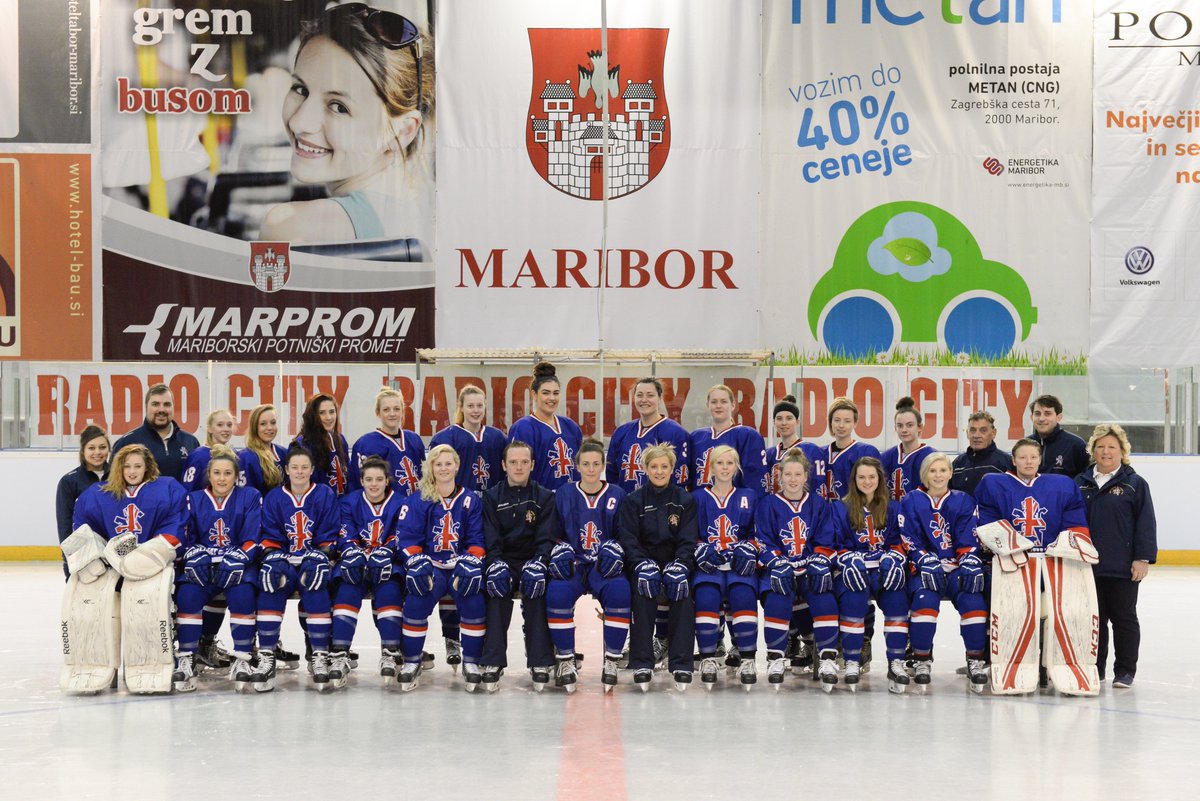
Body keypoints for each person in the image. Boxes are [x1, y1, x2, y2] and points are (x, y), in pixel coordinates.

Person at [260, 3, 435, 246]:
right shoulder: (438, 210)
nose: (300, 122)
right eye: (300, 89)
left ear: (404, 131)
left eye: (339, 107)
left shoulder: (287, 225)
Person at [71, 445, 189, 685]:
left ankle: (154, 662)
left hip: (151, 568)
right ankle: (104, 665)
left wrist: (146, 555)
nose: (132, 471)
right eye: (127, 466)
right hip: (113, 569)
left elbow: (176, 526)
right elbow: (84, 529)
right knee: (98, 612)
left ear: (147, 467)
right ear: (118, 467)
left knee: (148, 613)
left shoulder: (167, 488)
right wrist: (102, 556)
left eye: (137, 466)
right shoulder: (99, 494)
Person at [393, 444, 487, 692]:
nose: (444, 468)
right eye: (438, 464)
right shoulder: (419, 499)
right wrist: (416, 560)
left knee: (474, 601)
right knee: (416, 601)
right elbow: (406, 538)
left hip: (459, 565)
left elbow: (477, 539)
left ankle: (471, 662)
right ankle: (412, 661)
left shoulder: (470, 499)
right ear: (431, 468)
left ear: (457, 466)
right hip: (431, 565)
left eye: (448, 463)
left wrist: (472, 561)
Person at [1075, 424, 1157, 688]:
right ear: (1093, 450)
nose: (1106, 451)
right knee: (1094, 620)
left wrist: (1142, 558)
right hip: (1087, 565)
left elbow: (1146, 522)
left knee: (1124, 618)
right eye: (1100, 446)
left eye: (1112, 446)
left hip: (1122, 566)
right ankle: (1095, 669)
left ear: (1122, 451)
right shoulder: (1080, 482)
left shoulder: (1135, 484)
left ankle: (1124, 671)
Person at [752, 449, 840, 690]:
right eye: (788, 474)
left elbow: (826, 539)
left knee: (824, 596)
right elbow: (763, 540)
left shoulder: (818, 504)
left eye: (798, 474)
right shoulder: (767, 504)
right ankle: (776, 657)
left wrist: (819, 561)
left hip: (810, 567)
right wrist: (776, 562)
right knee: (777, 597)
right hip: (780, 567)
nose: (792, 479)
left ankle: (828, 658)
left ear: (806, 476)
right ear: (780, 476)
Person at [900, 453, 988, 692]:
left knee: (973, 602)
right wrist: (922, 558)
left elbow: (969, 535)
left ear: (950, 473)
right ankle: (921, 660)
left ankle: (975, 660)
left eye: (942, 470)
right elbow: (908, 537)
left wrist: (969, 559)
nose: (938, 475)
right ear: (924, 474)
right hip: (924, 568)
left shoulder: (963, 500)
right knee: (924, 602)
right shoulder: (911, 500)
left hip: (955, 568)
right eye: (932, 471)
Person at [255, 446, 342, 690]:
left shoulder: (324, 494)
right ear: (286, 470)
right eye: (295, 467)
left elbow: (330, 533)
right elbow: (269, 534)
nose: (300, 471)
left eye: (305, 467)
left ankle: (320, 654)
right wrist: (273, 556)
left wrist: (322, 554)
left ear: (312, 470)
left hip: (312, 560)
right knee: (271, 585)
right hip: (284, 560)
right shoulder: (274, 497)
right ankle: (267, 655)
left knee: (316, 586)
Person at [547, 439, 631, 691]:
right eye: (586, 464)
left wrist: (617, 549)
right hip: (573, 564)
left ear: (603, 465)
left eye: (596, 464)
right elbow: (553, 533)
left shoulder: (617, 494)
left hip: (604, 567)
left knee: (619, 591)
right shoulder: (564, 493)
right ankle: (565, 660)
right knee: (557, 592)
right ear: (577, 466)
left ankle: (612, 660)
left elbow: (625, 533)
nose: (591, 469)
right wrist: (559, 549)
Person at [177, 446, 262, 692]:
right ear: (209, 475)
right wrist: (193, 554)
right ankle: (187, 657)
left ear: (236, 475)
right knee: (188, 594)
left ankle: (243, 657)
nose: (222, 478)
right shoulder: (193, 499)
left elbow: (253, 537)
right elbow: (185, 536)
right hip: (203, 566)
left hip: (237, 565)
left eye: (227, 473)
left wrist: (240, 556)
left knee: (243, 594)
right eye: (217, 473)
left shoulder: (250, 496)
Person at [479, 440, 560, 692]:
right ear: (504, 465)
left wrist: (539, 564)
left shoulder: (545, 497)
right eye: (513, 462)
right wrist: (495, 564)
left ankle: (540, 661)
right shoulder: (491, 496)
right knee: (496, 592)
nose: (519, 467)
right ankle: (493, 661)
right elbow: (490, 538)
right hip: (503, 560)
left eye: (524, 462)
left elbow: (546, 538)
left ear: (532, 465)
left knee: (537, 592)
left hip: (531, 560)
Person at [619, 443, 698, 691]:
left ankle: (682, 663)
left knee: (683, 594)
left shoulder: (685, 500)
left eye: (664, 466)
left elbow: (688, 540)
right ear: (645, 468)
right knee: (643, 593)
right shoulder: (633, 501)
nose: (659, 471)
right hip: (644, 564)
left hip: (675, 563)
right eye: (654, 466)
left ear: (672, 469)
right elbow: (629, 540)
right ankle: (642, 662)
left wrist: (681, 565)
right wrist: (641, 565)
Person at [831, 457, 911, 693]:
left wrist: (894, 557)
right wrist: (847, 559)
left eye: (872, 477)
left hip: (884, 569)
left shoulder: (894, 507)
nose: (867, 481)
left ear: (880, 479)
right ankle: (852, 660)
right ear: (854, 480)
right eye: (862, 477)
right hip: (852, 569)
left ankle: (896, 661)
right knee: (853, 600)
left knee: (897, 599)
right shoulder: (840, 507)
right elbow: (835, 543)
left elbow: (900, 540)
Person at [330, 456, 407, 687]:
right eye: (369, 479)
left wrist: (387, 551)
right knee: (347, 589)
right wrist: (352, 552)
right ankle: (340, 652)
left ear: (387, 481)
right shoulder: (349, 502)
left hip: (388, 562)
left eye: (379, 479)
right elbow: (345, 531)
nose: (374, 484)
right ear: (362, 480)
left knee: (389, 590)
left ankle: (390, 651)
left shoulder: (400, 502)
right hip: (357, 561)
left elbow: (402, 532)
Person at [690, 445, 759, 689]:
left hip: (739, 565)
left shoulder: (748, 496)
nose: (725, 468)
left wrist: (749, 547)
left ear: (736, 467)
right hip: (709, 566)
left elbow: (757, 533)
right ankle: (708, 657)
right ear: (711, 468)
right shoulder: (697, 497)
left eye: (730, 463)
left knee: (743, 595)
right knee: (706, 596)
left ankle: (747, 658)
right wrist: (699, 548)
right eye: (720, 463)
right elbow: (691, 534)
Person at [508, 361, 583, 490]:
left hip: (572, 498)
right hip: (539, 500)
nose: (552, 398)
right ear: (534, 394)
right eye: (546, 393)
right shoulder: (524, 428)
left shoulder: (571, 426)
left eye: (556, 393)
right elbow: (516, 472)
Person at [607, 377, 690, 492]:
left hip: (661, 502)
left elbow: (680, 478)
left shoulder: (676, 433)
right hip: (625, 501)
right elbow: (611, 474)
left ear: (660, 398)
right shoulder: (621, 432)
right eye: (639, 395)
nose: (644, 400)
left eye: (650, 395)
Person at [687, 384, 769, 495]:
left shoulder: (747, 435)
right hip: (700, 503)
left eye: (723, 402)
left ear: (733, 405)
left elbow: (754, 480)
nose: (718, 406)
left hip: (734, 503)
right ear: (707, 405)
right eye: (714, 402)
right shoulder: (696, 437)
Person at [111, 383, 200, 481]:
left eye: (167, 404)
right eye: (155, 404)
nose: (161, 409)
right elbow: (112, 484)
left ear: (173, 407)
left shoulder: (190, 442)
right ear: (146, 407)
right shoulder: (126, 443)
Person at [55, 426, 110, 578]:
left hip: (113, 553)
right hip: (85, 555)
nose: (97, 452)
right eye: (91, 448)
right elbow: (65, 524)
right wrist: (69, 559)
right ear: (83, 450)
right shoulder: (69, 481)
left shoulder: (119, 476)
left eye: (102, 447)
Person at [430, 384, 506, 494]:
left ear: (485, 406)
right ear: (461, 407)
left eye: (479, 405)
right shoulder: (446, 438)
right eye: (470, 406)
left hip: (492, 502)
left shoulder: (498, 437)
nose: (476, 410)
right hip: (458, 501)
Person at [349, 386, 426, 494]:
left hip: (416, 502)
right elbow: (358, 485)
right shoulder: (366, 444)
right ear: (378, 412)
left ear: (402, 411)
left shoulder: (414, 439)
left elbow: (424, 476)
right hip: (387, 504)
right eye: (386, 409)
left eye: (396, 409)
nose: (392, 414)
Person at [813, 396, 881, 502]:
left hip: (855, 510)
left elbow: (877, 491)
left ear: (855, 423)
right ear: (830, 422)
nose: (841, 425)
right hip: (824, 511)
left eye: (847, 421)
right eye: (837, 420)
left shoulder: (866, 452)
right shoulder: (819, 453)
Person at [293, 393, 351, 496]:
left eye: (332, 412)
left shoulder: (340, 439)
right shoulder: (302, 444)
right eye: (322, 413)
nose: (328, 417)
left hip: (342, 502)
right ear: (312, 416)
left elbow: (348, 474)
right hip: (318, 504)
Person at [765, 394, 821, 495]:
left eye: (789, 418)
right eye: (779, 418)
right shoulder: (769, 454)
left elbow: (818, 488)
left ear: (797, 422)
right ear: (774, 422)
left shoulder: (811, 450)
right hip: (775, 504)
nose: (784, 423)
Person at [880, 396, 933, 502]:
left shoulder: (931, 457)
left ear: (919, 427)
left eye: (909, 425)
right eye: (900, 426)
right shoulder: (886, 457)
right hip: (890, 511)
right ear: (895, 428)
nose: (904, 430)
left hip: (919, 511)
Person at [950, 410, 1011, 496]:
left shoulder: (1006, 463)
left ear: (993, 433)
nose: (977, 435)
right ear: (967, 433)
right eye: (972, 430)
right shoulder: (958, 463)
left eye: (983, 430)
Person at [1028, 394, 1089, 477]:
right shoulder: (1025, 445)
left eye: (1047, 414)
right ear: (1032, 417)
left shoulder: (1076, 445)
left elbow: (1085, 478)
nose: (1041, 419)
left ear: (1058, 417)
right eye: (1037, 414)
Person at [181, 409, 236, 491]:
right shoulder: (198, 456)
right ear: (209, 428)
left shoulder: (234, 455)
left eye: (229, 425)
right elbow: (188, 489)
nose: (226, 429)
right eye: (220, 425)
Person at [238, 404, 287, 495]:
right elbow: (246, 496)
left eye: (273, 422)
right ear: (254, 427)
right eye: (263, 424)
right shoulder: (246, 457)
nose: (270, 428)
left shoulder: (284, 452)